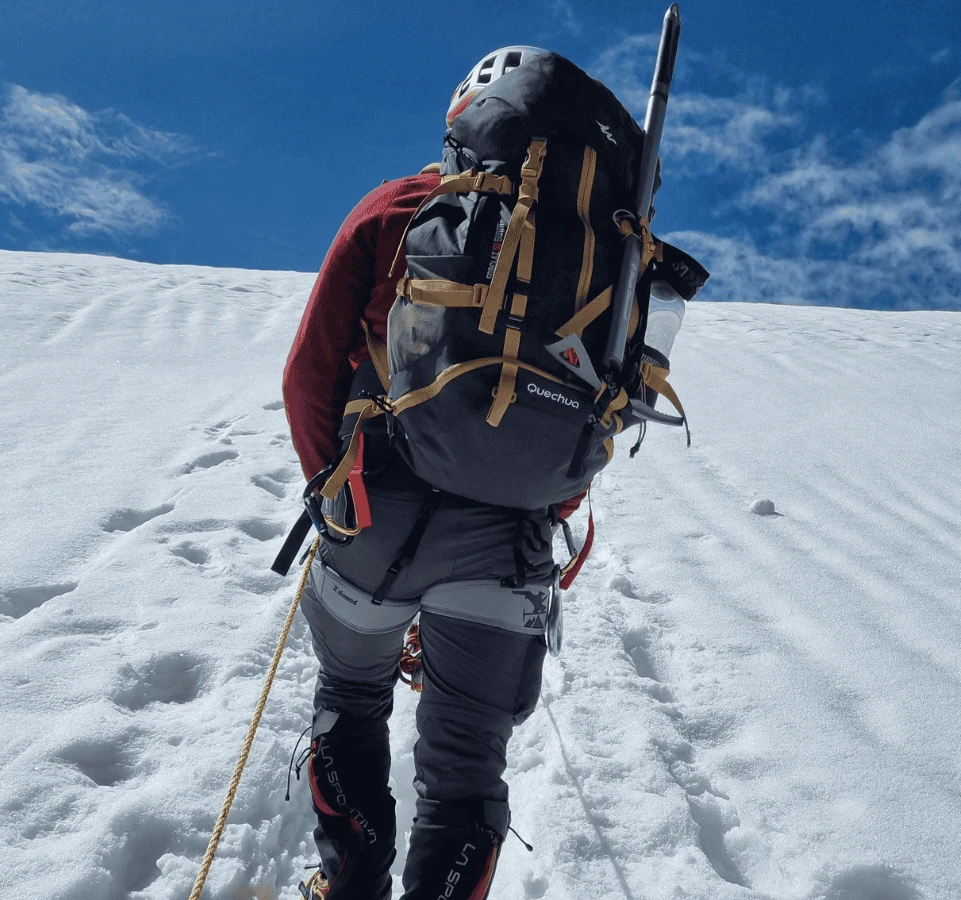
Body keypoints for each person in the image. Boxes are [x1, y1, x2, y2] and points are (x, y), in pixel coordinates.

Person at [282, 46, 584, 900]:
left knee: (351, 694)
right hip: (505, 542)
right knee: (464, 767)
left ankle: (349, 885)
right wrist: (536, 505)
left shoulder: (398, 207)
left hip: (373, 515)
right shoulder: (589, 248)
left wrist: (333, 488)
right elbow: (589, 425)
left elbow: (308, 373)